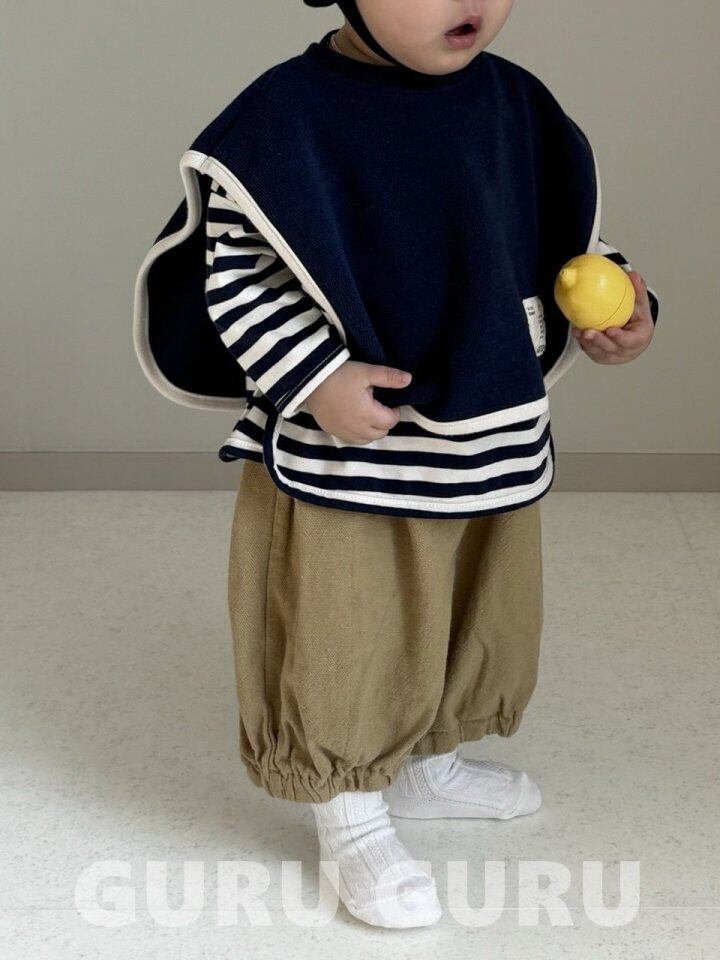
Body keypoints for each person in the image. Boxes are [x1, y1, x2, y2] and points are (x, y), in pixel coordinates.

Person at [134, 0, 659, 929]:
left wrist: (619, 304)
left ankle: (430, 758)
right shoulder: (287, 119)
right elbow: (240, 273)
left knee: (475, 597)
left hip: (486, 426)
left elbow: (559, 238)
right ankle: (349, 811)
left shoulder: (516, 104)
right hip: (352, 445)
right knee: (350, 621)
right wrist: (315, 379)